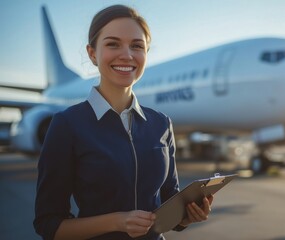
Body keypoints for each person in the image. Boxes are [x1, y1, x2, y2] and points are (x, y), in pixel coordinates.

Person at [34, 5, 213, 240]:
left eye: (137, 46)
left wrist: (188, 216)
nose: (127, 55)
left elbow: (169, 204)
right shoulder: (67, 124)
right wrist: (117, 222)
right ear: (92, 53)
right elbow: (49, 225)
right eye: (113, 44)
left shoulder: (161, 123)